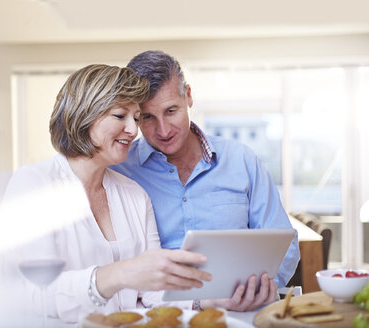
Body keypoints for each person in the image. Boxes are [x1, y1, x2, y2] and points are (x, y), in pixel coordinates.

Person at [2, 64, 212, 323]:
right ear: (84, 115)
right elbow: (36, 293)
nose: (133, 130)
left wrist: (209, 299)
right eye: (120, 115)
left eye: (136, 118)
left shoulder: (134, 194)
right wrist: (118, 274)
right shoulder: (33, 184)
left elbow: (153, 291)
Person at [110, 50, 301, 311]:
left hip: (242, 313)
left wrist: (259, 289)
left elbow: (284, 241)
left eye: (171, 111)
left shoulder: (241, 160)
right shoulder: (120, 170)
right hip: (163, 316)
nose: (163, 130)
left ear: (188, 96)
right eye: (147, 117)